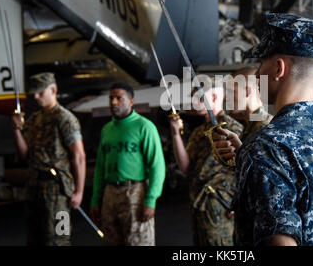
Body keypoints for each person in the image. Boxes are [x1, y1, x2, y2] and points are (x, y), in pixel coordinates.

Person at [219, 13, 313, 246]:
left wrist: (255, 157)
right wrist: (249, 162)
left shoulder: (267, 148)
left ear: (279, 68)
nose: (257, 73)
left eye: (262, 63)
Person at [11, 72, 86, 246]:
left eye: (40, 92)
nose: (36, 97)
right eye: (34, 93)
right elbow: (24, 155)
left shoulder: (66, 119)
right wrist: (16, 130)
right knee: (35, 239)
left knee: (60, 239)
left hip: (58, 191)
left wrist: (79, 191)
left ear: (53, 90)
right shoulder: (34, 120)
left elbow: (79, 156)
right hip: (35, 190)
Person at [90, 82, 166, 246]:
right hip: (110, 193)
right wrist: (96, 200)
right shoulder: (107, 129)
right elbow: (100, 168)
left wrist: (151, 200)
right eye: (111, 98)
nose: (114, 102)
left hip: (134, 192)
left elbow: (157, 166)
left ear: (131, 101)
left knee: (139, 242)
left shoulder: (144, 127)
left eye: (119, 98)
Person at [169, 84, 242, 245]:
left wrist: (241, 203)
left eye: (200, 98)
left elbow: (244, 170)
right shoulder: (199, 132)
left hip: (222, 205)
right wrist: (175, 134)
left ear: (215, 98)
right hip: (199, 203)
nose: (195, 103)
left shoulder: (233, 128)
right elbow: (186, 168)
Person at [225, 66, 273, 139]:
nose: (226, 98)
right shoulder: (249, 124)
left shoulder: (265, 127)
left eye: (231, 91)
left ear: (247, 91)